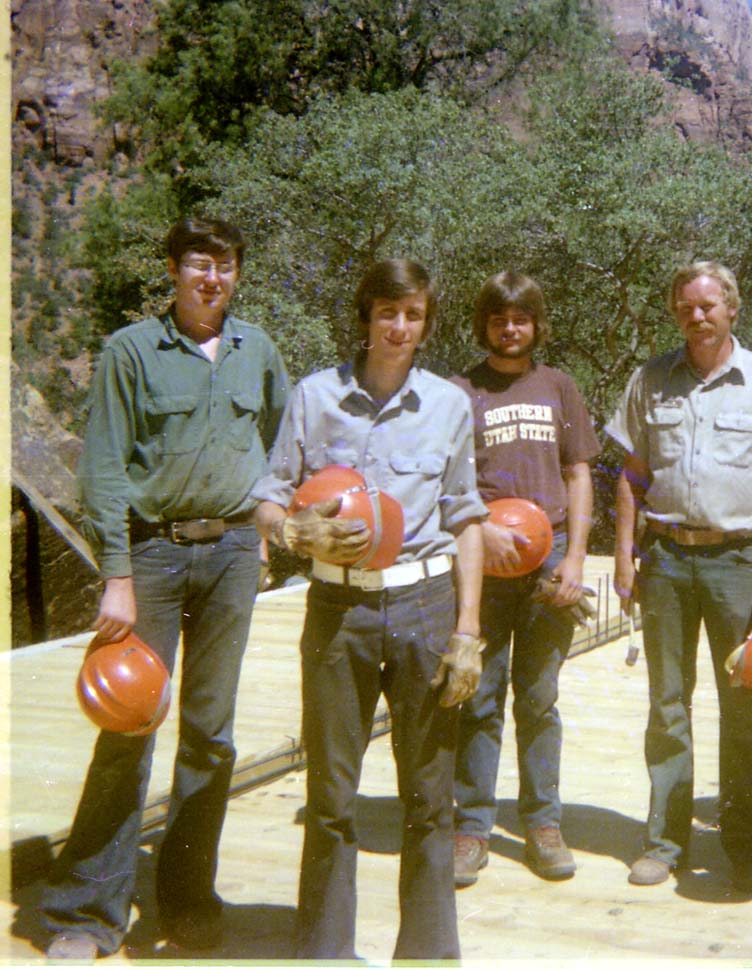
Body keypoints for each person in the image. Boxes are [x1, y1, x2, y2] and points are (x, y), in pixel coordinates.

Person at [41, 217, 291, 961]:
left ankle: (185, 900)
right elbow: (104, 469)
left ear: (237, 274)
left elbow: (281, 442)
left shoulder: (258, 351)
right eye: (197, 265)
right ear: (175, 273)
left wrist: (272, 522)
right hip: (151, 555)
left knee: (211, 737)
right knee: (128, 726)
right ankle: (85, 911)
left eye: (224, 266)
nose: (211, 278)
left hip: (235, 555)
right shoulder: (131, 351)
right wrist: (114, 575)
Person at [252, 259, 488, 960]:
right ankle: (324, 951)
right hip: (337, 609)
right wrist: (293, 531)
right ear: (365, 316)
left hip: (426, 606)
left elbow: (468, 516)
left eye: (413, 315)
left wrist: (469, 630)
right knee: (331, 796)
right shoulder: (314, 396)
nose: (399, 327)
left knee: (429, 795)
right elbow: (268, 496)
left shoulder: (448, 404)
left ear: (426, 323)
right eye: (387, 312)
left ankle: (427, 952)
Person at [607, 260, 752, 892]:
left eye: (708, 306)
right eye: (686, 307)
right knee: (667, 703)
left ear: (732, 309)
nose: (697, 316)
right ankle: (665, 840)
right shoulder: (651, 380)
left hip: (736, 562)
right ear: (675, 313)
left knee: (741, 702)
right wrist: (621, 555)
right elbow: (632, 474)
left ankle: (746, 841)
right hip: (664, 559)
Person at [450, 272, 601, 886]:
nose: (509, 329)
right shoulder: (460, 390)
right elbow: (448, 479)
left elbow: (580, 473)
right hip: (482, 562)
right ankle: (471, 828)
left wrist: (575, 560)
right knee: (479, 697)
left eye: (520, 319)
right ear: (484, 325)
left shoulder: (559, 387)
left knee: (539, 698)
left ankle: (543, 822)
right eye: (497, 319)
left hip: (548, 559)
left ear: (536, 325)